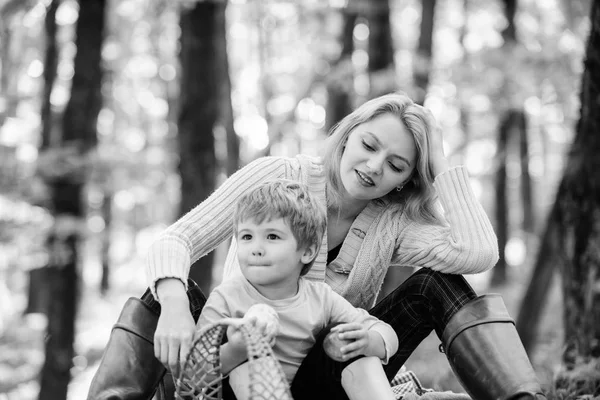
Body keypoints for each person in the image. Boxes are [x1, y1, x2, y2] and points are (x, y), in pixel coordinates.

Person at [87, 92, 546, 400]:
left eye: (396, 164)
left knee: (438, 284)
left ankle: (520, 398)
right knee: (168, 288)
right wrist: (172, 305)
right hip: (243, 366)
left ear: (408, 178)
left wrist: (441, 161)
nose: (372, 167)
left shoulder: (393, 221)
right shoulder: (277, 177)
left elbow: (478, 253)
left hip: (336, 374)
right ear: (348, 134)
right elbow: (176, 238)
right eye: (368, 145)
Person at [195, 179, 399, 400]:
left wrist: (369, 341)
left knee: (346, 339)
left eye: (272, 236)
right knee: (239, 333)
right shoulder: (226, 297)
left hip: (306, 389)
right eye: (247, 237)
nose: (256, 248)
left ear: (308, 251)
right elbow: (194, 375)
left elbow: (385, 332)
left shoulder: (320, 298)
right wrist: (236, 351)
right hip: (243, 391)